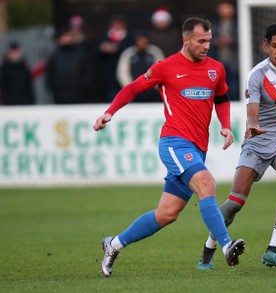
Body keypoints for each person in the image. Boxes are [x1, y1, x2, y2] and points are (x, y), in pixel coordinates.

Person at [93, 17, 245, 278]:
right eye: (201, 41)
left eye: (208, 40)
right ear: (186, 40)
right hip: (174, 142)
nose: (206, 45)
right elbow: (132, 88)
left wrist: (226, 125)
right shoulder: (166, 67)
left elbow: (221, 97)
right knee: (206, 183)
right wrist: (109, 112)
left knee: (167, 213)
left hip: (197, 148)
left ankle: (113, 244)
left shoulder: (216, 69)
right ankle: (226, 245)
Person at [197, 23, 276, 270]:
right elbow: (252, 112)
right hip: (258, 141)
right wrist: (252, 125)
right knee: (234, 203)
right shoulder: (257, 75)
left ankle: (272, 249)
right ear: (266, 45)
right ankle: (209, 247)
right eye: (274, 46)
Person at [45, 29, 93, 104]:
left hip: (79, 95)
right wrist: (54, 89)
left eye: (69, 36)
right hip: (60, 95)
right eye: (64, 36)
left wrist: (84, 87)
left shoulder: (81, 53)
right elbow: (50, 73)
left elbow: (88, 71)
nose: (67, 38)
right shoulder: (54, 55)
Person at [116, 31, 165, 102]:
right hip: (134, 92)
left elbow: (162, 70)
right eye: (140, 40)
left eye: (144, 40)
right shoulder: (128, 53)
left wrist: (156, 87)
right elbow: (122, 72)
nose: (142, 43)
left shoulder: (155, 52)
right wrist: (131, 88)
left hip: (153, 91)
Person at [99, 15, 134, 102]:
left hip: (126, 73)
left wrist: (117, 48)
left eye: (119, 24)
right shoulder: (104, 37)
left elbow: (131, 51)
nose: (117, 26)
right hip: (109, 75)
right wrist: (103, 49)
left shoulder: (129, 38)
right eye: (115, 24)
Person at [210, 1, 240, 101]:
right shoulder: (215, 23)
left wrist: (232, 40)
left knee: (235, 86)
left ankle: (236, 105)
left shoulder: (239, 23)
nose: (225, 11)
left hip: (234, 61)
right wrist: (217, 41)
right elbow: (209, 40)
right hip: (220, 60)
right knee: (220, 86)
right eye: (223, 8)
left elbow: (245, 39)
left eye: (228, 8)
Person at [0, 41, 35, 105]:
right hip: (10, 104)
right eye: (13, 52)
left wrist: (31, 100)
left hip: (25, 103)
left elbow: (29, 85)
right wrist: (7, 101)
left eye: (16, 52)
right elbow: (3, 87)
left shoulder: (24, 67)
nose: (15, 54)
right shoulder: (4, 68)